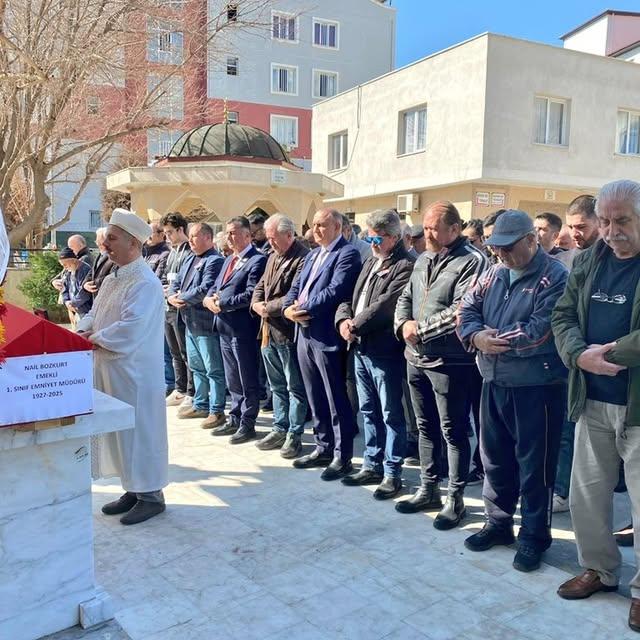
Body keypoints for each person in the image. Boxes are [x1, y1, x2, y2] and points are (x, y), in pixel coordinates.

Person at [458, 209, 568, 572]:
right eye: (495, 248)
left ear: (531, 241)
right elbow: (467, 308)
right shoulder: (493, 273)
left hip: (537, 385)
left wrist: (491, 339)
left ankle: (534, 537)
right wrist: (476, 336)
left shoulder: (555, 277)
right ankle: (499, 523)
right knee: (495, 458)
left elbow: (540, 328)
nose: (500, 254)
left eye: (507, 247)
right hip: (494, 379)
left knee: (535, 467)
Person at [552, 180, 640, 633]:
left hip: (637, 407)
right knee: (587, 496)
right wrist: (577, 355)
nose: (610, 231)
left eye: (621, 221)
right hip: (592, 401)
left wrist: (606, 355)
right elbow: (562, 315)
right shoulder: (588, 261)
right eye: (604, 221)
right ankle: (600, 571)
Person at [394, 201, 487, 529]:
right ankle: (429, 487)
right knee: (425, 427)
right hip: (415, 357)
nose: (428, 233)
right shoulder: (422, 258)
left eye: (434, 228)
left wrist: (419, 330)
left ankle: (455, 498)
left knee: (453, 430)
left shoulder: (472, 261)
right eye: (426, 227)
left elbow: (462, 309)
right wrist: (403, 324)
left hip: (452, 361)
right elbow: (406, 296)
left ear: (454, 229)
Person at [77, 208, 168, 525]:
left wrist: (94, 337)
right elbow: (94, 312)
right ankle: (133, 489)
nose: (105, 245)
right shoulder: (114, 276)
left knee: (141, 434)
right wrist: (82, 331)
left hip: (135, 375)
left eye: (112, 239)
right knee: (120, 435)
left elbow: (131, 328)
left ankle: (151, 495)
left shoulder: (144, 282)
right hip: (111, 368)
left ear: (133, 243)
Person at [336, 209, 414, 499]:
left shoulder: (405, 266)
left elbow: (386, 305)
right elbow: (351, 297)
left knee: (391, 412)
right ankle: (372, 463)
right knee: (368, 410)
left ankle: (392, 472)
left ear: (394, 237)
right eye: (368, 237)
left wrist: (355, 324)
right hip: (359, 346)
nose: (372, 243)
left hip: (384, 350)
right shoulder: (370, 260)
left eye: (378, 238)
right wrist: (344, 321)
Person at [283, 208, 361, 480]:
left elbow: (336, 290)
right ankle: (323, 446)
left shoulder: (347, 254)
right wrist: (287, 309)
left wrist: (303, 307)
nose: (316, 230)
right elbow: (296, 287)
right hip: (303, 333)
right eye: (314, 225)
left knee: (335, 397)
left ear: (338, 227)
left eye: (322, 225)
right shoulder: (313, 254)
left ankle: (343, 456)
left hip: (326, 335)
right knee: (315, 395)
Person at [204, 216, 267, 444]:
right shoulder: (229, 259)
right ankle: (235, 417)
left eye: (234, 233)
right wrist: (209, 299)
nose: (229, 237)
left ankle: (248, 422)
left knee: (246, 376)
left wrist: (223, 304)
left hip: (242, 329)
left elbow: (251, 294)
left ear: (247, 235)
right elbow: (215, 286)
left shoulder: (257, 260)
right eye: (228, 233)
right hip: (223, 327)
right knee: (233, 378)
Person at [251, 214, 309, 458]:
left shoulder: (303, 257)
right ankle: (279, 427)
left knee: (294, 386)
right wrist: (256, 304)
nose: (271, 243)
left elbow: (294, 296)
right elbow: (260, 286)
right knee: (276, 386)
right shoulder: (273, 257)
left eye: (274, 239)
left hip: (287, 332)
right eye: (269, 239)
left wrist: (269, 308)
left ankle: (294, 435)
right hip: (267, 331)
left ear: (289, 235)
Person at [167, 223, 226, 430]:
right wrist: (172, 295)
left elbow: (205, 289)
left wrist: (180, 297)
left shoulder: (215, 260)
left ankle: (217, 410)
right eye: (189, 237)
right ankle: (200, 403)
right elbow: (177, 281)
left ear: (208, 238)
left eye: (194, 236)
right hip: (188, 322)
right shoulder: (190, 258)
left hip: (205, 325)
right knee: (196, 367)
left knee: (213, 369)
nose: (190, 240)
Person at [161, 212, 194, 409]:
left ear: (181, 230)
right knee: (174, 351)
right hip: (168, 305)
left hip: (182, 308)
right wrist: (166, 288)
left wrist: (176, 292)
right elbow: (167, 276)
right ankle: (180, 388)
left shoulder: (189, 251)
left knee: (185, 352)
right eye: (165, 233)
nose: (168, 237)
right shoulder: (172, 252)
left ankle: (191, 391)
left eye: (170, 232)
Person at [58, 247, 92, 320]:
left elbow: (85, 292)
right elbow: (64, 287)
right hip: (74, 309)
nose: (64, 267)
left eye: (65, 264)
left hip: (85, 310)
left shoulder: (85, 269)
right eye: (62, 265)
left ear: (73, 261)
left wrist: (73, 303)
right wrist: (66, 301)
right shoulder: (68, 271)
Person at [83, 227, 116, 298]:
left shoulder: (116, 257)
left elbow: (113, 277)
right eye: (97, 241)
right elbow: (92, 272)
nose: (97, 243)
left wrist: (93, 283)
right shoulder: (100, 255)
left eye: (100, 242)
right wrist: (85, 284)